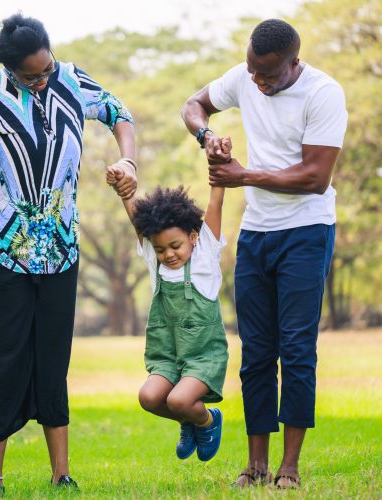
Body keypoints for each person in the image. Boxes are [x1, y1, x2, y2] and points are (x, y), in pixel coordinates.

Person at [0, 14, 136, 496]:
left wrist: (127, 157)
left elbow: (119, 113)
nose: (43, 81)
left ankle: (62, 472)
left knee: (54, 360)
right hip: (0, 251)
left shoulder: (71, 79)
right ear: (10, 70)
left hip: (60, 250)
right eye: (32, 76)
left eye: (46, 69)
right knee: (1, 360)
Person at [182, 18, 348, 489]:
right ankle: (255, 465)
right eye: (253, 72)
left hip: (307, 230)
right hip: (257, 232)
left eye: (268, 76)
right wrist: (206, 137)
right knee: (255, 352)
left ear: (293, 62)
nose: (257, 82)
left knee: (296, 349)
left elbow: (317, 177)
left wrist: (245, 176)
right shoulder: (245, 75)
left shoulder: (323, 93)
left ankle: (289, 467)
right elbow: (193, 105)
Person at [106, 155, 230, 462]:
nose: (168, 254)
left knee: (178, 400)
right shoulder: (155, 263)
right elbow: (137, 219)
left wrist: (219, 170)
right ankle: (189, 419)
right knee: (149, 398)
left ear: (192, 237)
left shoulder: (204, 257)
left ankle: (207, 420)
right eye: (160, 249)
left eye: (175, 246)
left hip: (203, 356)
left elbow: (215, 204)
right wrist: (126, 190)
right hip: (168, 356)